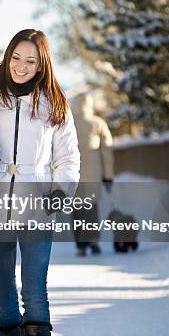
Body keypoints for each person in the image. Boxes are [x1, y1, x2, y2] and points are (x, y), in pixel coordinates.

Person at [0, 29, 80, 336]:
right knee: (3, 294)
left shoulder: (54, 103)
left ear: (41, 65)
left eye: (30, 60)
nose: (21, 66)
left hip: (38, 203)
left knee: (35, 291)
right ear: (8, 55)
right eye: (16, 57)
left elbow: (67, 156)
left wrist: (61, 191)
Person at [70, 92, 114, 256]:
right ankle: (94, 239)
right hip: (93, 175)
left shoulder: (68, 123)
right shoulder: (98, 123)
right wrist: (108, 176)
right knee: (91, 209)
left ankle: (81, 245)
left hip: (72, 175)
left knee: (77, 210)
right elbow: (107, 151)